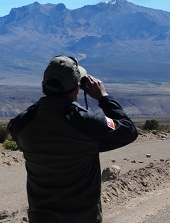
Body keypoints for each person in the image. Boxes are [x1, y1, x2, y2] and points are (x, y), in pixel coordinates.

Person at [7, 55, 138, 223]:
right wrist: (103, 97)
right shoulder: (84, 123)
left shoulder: (21, 124)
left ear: (43, 85)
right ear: (78, 89)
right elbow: (129, 130)